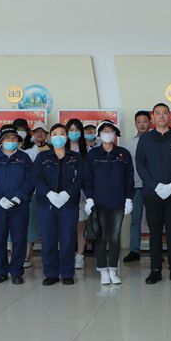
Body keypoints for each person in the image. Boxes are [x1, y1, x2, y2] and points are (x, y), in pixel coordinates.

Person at [135, 103, 171, 285]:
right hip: (152, 193)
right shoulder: (145, 139)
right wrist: (155, 186)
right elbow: (140, 165)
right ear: (153, 117)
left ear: (169, 116)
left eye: (165, 113)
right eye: (158, 113)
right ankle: (155, 270)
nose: (161, 116)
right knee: (155, 233)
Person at [34, 124, 84, 286]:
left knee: (68, 239)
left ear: (66, 137)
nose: (58, 137)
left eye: (62, 134)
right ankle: (51, 273)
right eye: (55, 134)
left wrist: (67, 194)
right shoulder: (42, 157)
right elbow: (36, 177)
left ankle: (67, 273)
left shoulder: (75, 157)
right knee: (48, 239)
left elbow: (81, 178)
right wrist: (49, 193)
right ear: (50, 137)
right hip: (46, 204)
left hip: (69, 204)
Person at [0, 124, 34, 285]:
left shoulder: (24, 158)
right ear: (1, 141)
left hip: (19, 206)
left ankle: (17, 272)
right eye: (7, 138)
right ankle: (1, 272)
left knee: (19, 239)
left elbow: (30, 180)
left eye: (13, 138)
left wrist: (20, 197)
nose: (11, 141)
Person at [85, 120, 134, 285]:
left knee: (114, 237)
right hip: (98, 202)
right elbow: (88, 178)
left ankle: (112, 269)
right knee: (100, 237)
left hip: (118, 202)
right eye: (104, 131)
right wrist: (89, 198)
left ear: (115, 134)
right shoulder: (93, 154)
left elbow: (129, 177)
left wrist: (129, 198)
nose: (108, 133)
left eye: (110, 130)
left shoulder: (123, 153)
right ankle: (102, 270)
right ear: (99, 135)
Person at [123, 111, 151, 263]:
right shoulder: (130, 144)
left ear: (150, 123)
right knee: (135, 220)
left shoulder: (155, 141)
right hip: (136, 187)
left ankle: (156, 250)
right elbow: (126, 168)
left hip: (153, 187)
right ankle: (134, 250)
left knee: (155, 220)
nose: (142, 124)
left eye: (145, 121)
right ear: (135, 124)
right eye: (139, 122)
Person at [12, 118, 40, 269]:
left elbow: (34, 171)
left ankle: (27, 256)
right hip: (11, 193)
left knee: (30, 225)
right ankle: (15, 255)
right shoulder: (8, 145)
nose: (20, 132)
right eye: (17, 129)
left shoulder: (33, 147)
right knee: (13, 224)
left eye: (23, 129)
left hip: (30, 192)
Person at [65, 118, 90, 269]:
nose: (74, 133)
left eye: (77, 130)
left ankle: (80, 255)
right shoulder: (61, 148)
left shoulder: (87, 150)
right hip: (64, 193)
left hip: (82, 193)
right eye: (71, 130)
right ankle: (67, 254)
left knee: (81, 225)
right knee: (67, 225)